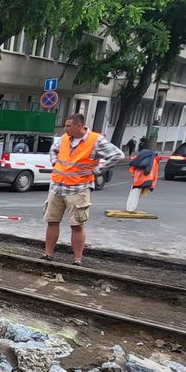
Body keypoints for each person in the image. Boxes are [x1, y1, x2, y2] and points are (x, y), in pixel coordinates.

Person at [42, 113, 125, 266]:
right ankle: (48, 254)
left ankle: (77, 259)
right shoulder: (64, 138)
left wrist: (96, 170)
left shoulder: (95, 140)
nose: (65, 128)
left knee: (77, 224)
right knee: (52, 221)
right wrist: (55, 163)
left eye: (68, 125)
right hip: (57, 186)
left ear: (78, 126)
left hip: (78, 188)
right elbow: (53, 151)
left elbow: (117, 155)